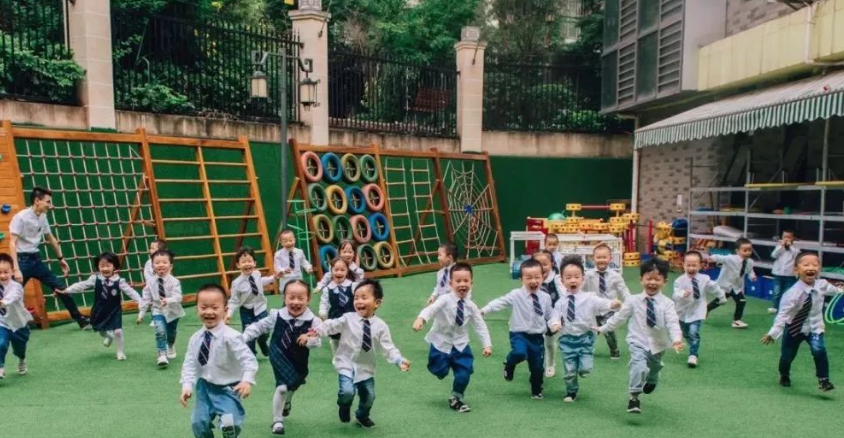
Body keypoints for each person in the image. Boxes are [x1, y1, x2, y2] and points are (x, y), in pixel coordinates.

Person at [306, 279, 411, 428]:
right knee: (347, 391)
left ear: (377, 303)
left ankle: (362, 415)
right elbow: (332, 325)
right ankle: (344, 405)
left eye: (364, 297)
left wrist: (399, 360)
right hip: (346, 362)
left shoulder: (381, 326)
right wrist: (317, 331)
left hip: (366, 367)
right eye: (356, 298)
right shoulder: (348, 318)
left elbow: (388, 347)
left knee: (369, 396)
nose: (359, 301)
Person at [597, 258, 684, 414]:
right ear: (641, 279)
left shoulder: (667, 303)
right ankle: (634, 397)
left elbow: (672, 322)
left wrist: (676, 339)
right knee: (638, 366)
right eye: (648, 278)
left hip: (658, 343)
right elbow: (619, 317)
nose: (652, 282)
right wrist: (603, 328)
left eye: (657, 279)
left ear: (664, 281)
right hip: (637, 341)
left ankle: (653, 376)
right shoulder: (633, 301)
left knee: (655, 366)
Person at [242, 280, 322, 435]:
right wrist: (244, 337)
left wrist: (309, 340)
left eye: (300, 298)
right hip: (278, 353)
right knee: (282, 387)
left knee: (293, 385)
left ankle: (287, 402)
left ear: (308, 299)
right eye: (291, 297)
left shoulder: (313, 320)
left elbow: (317, 342)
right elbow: (259, 326)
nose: (295, 302)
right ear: (284, 298)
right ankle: (277, 420)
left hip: (299, 359)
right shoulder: (276, 315)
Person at [180, 284, 258, 438]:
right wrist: (187, 386)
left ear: (225, 309)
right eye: (204, 307)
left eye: (215, 307)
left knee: (230, 426)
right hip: (205, 388)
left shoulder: (232, 337)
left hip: (228, 389)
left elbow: (248, 360)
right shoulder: (196, 338)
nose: (209, 312)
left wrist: (247, 381)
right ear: (197, 309)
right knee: (198, 424)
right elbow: (189, 364)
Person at [413, 262, 492, 413]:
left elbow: (479, 325)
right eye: (458, 281)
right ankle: (440, 368)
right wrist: (421, 319)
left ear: (471, 283)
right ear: (450, 284)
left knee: (464, 372)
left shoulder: (471, 306)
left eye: (466, 281)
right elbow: (431, 309)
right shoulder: (444, 299)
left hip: (461, 345)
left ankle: (456, 397)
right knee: (440, 371)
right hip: (441, 343)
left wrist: (486, 344)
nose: (462, 284)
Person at [8, 186, 90, 329]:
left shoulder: (43, 216)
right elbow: (12, 243)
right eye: (48, 202)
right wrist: (16, 269)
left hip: (36, 260)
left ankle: (81, 320)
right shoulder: (20, 217)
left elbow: (51, 238)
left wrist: (61, 258)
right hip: (22, 262)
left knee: (61, 288)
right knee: (11, 295)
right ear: (37, 201)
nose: (50, 205)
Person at [761, 252, 843, 391]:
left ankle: (824, 380)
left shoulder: (822, 284)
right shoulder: (792, 294)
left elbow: (835, 291)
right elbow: (783, 316)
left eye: (815, 265)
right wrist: (773, 333)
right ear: (796, 270)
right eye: (806, 265)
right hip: (794, 328)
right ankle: (784, 374)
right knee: (787, 356)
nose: (811, 267)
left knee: (819, 350)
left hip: (815, 327)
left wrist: (840, 289)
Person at [548, 255, 621, 402]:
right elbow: (554, 315)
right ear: (562, 281)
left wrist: (612, 304)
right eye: (568, 277)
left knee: (585, 368)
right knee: (569, 370)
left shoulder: (589, 298)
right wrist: (554, 324)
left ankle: (582, 370)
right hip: (567, 339)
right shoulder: (561, 302)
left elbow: (602, 304)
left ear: (582, 279)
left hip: (585, 338)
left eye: (576, 276)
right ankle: (571, 392)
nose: (572, 280)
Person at [481, 259, 554, 399]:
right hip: (519, 334)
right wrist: (484, 310)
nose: (533, 281)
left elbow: (550, 313)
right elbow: (500, 302)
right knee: (520, 353)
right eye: (528, 278)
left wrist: (554, 322)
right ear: (521, 279)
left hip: (537, 337)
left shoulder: (545, 297)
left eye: (537, 277)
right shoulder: (516, 295)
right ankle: (509, 363)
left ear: (542, 277)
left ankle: (536, 389)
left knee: (538, 367)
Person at [58, 252, 142, 361]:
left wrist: (140, 301)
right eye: (102, 266)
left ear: (114, 266)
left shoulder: (119, 281)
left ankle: (120, 352)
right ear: (98, 267)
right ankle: (109, 337)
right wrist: (68, 290)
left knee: (118, 331)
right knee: (101, 331)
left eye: (108, 265)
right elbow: (82, 285)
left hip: (114, 310)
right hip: (99, 310)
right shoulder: (95, 279)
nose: (105, 268)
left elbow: (130, 292)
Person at [672, 251, 725, 368]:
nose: (691, 268)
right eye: (688, 265)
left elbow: (714, 288)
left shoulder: (704, 279)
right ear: (683, 265)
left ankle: (693, 355)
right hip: (682, 311)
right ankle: (693, 344)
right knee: (685, 333)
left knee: (693, 332)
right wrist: (682, 293)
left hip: (697, 310)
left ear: (700, 265)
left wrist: (722, 297)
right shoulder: (679, 281)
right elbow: (674, 294)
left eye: (694, 265)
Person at [225, 246, 276, 356]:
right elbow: (234, 300)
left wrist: (273, 278)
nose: (247, 264)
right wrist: (229, 314)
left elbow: (261, 282)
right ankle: (251, 354)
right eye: (243, 262)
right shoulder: (236, 283)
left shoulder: (257, 274)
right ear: (238, 265)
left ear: (254, 263)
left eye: (250, 261)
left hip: (260, 307)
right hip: (246, 311)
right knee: (249, 335)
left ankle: (262, 343)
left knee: (265, 331)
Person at [137, 249, 184, 367]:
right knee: (160, 331)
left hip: (173, 311)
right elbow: (146, 298)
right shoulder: (151, 282)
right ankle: (161, 354)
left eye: (164, 262)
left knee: (171, 333)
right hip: (158, 310)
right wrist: (141, 313)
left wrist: (168, 300)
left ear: (170, 266)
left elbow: (178, 297)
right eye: (157, 263)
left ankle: (171, 344)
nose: (160, 265)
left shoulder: (174, 282)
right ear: (153, 266)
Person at [583, 243, 630, 360]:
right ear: (593, 259)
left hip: (609, 308)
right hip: (592, 308)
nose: (601, 260)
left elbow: (624, 291)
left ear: (610, 258)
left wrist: (629, 303)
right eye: (598, 257)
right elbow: (581, 290)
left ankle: (614, 349)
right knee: (590, 330)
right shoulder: (588, 275)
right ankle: (588, 348)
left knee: (608, 330)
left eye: (604, 257)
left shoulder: (616, 276)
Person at [706, 238, 757, 329]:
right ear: (737, 251)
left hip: (736, 287)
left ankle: (736, 321)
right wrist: (711, 258)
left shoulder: (750, 262)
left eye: (749, 250)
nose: (748, 252)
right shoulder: (730, 258)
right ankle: (706, 309)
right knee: (720, 301)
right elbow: (720, 257)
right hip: (725, 285)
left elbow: (750, 271)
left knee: (741, 301)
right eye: (745, 250)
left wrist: (752, 276)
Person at [0, 253, 32, 380]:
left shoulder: (17, 287)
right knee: (1, 343)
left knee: (20, 348)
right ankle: (1, 368)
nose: (2, 275)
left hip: (18, 323)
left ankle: (21, 359)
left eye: (6, 272)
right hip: (2, 322)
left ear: (12, 272)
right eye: (0, 272)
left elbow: (11, 298)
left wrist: (2, 303)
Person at [533, 250, 563, 378]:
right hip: (535, 316)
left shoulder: (556, 278)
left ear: (551, 264)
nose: (541, 267)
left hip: (552, 316)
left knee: (550, 343)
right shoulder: (530, 278)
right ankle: (536, 364)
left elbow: (563, 294)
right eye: (537, 264)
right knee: (535, 342)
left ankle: (550, 364)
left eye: (545, 264)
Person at [317, 257, 358, 353]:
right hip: (335, 317)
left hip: (350, 316)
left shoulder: (352, 286)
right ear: (331, 270)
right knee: (335, 338)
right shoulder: (327, 289)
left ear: (347, 271)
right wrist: (322, 312)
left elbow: (360, 298)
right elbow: (324, 303)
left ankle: (351, 354)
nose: (339, 273)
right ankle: (337, 355)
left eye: (342, 270)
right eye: (336, 270)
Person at [769, 230, 798, 314]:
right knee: (776, 292)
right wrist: (781, 246)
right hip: (778, 274)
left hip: (790, 275)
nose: (786, 239)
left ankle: (785, 308)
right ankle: (775, 307)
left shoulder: (796, 248)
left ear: (793, 238)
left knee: (787, 293)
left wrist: (790, 246)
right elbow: (773, 255)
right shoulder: (779, 247)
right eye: (784, 237)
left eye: (789, 237)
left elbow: (796, 255)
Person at [144, 238, 167, 326]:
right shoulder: (148, 263)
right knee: (155, 301)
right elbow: (147, 275)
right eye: (150, 248)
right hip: (153, 285)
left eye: (153, 248)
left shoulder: (165, 261)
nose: (150, 250)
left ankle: (167, 315)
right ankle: (156, 317)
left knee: (165, 301)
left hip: (164, 285)